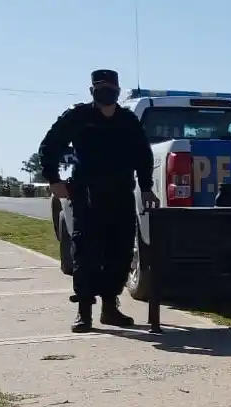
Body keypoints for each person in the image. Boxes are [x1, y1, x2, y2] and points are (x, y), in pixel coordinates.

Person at [38, 69, 159, 332]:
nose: (106, 91)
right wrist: (54, 180)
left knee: (120, 253)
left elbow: (143, 155)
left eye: (111, 88)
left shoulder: (127, 120)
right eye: (100, 87)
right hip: (87, 196)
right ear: (92, 90)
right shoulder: (78, 116)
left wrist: (146, 188)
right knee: (86, 254)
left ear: (118, 90)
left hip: (121, 194)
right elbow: (49, 146)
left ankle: (110, 308)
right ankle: (84, 312)